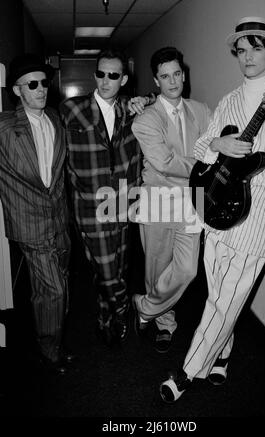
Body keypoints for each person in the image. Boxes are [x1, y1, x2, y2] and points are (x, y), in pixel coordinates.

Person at [159, 16, 265, 402]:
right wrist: (218, 146)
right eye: (242, 49)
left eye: (257, 47)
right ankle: (222, 353)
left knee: (225, 299)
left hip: (261, 219)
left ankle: (187, 372)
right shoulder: (230, 100)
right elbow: (202, 144)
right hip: (218, 211)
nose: (249, 56)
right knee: (220, 294)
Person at [60, 48, 152, 345]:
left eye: (113, 75)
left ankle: (105, 318)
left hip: (124, 203)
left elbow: (162, 97)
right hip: (89, 205)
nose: (105, 80)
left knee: (119, 267)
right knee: (106, 268)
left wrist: (148, 99)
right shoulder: (72, 109)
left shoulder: (131, 109)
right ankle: (129, 308)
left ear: (123, 79)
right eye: (100, 73)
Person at [131, 47, 211, 353]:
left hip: (193, 200)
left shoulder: (202, 110)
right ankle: (164, 321)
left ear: (184, 74)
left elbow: (212, 147)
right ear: (156, 80)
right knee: (156, 266)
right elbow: (164, 162)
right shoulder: (146, 119)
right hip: (158, 200)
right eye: (165, 76)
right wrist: (202, 165)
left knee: (187, 269)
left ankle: (144, 306)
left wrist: (208, 157)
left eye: (177, 73)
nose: (173, 81)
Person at [0, 54, 73, 375]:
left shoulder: (55, 118)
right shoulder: (4, 128)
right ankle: (48, 348)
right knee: (53, 289)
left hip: (59, 219)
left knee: (56, 286)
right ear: (17, 90)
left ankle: (54, 339)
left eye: (44, 82)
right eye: (32, 84)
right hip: (29, 222)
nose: (41, 89)